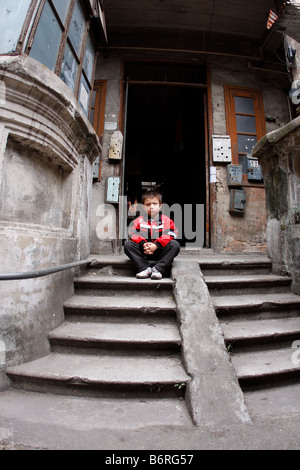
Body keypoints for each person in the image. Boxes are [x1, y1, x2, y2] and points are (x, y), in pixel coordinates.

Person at [124, 190, 180, 279]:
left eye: (155, 204)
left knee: (175, 244)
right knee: (128, 245)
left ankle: (158, 269)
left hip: (160, 251)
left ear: (160, 205)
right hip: (144, 250)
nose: (151, 207)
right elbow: (132, 234)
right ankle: (145, 268)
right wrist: (143, 243)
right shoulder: (138, 221)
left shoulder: (166, 220)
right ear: (143, 206)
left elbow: (172, 234)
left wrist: (157, 245)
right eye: (148, 204)